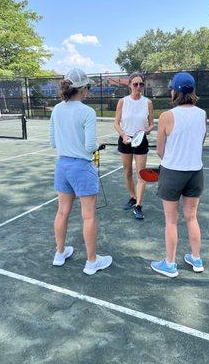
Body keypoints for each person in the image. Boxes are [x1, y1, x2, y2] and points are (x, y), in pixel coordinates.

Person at [49, 68, 112, 275]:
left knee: (62, 212)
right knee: (89, 216)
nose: (88, 90)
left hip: (62, 166)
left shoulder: (56, 109)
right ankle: (92, 261)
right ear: (82, 88)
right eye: (88, 87)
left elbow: (52, 142)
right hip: (82, 168)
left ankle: (60, 253)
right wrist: (98, 144)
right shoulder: (87, 112)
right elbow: (88, 147)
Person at [151, 72, 206, 278]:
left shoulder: (167, 116)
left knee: (171, 221)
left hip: (172, 173)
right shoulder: (202, 114)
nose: (171, 91)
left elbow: (159, 150)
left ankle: (170, 264)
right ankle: (196, 258)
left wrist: (173, 160)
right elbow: (200, 143)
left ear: (175, 91)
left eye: (172, 88)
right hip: (195, 172)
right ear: (192, 91)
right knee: (192, 217)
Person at [114, 72, 154, 220]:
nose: (138, 86)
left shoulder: (148, 103)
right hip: (125, 140)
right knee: (127, 172)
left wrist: (146, 131)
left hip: (141, 140)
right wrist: (124, 135)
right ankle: (132, 196)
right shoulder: (122, 102)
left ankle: (138, 205)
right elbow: (116, 123)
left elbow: (151, 124)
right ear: (130, 85)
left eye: (141, 84)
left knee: (141, 174)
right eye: (135, 84)